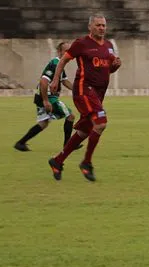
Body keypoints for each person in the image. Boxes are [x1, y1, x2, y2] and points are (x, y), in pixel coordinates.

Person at [47, 15, 121, 181]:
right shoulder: (81, 43)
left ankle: (57, 161)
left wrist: (115, 65)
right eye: (98, 25)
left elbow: (107, 69)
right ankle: (86, 162)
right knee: (101, 123)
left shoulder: (108, 46)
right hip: (83, 90)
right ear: (90, 27)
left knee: (84, 131)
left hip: (98, 93)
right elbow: (63, 61)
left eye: (103, 25)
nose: (101, 28)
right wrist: (55, 79)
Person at [14, 41, 77, 152]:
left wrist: (78, 90)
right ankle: (68, 145)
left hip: (42, 97)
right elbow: (43, 81)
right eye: (66, 51)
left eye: (70, 51)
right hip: (48, 97)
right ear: (59, 51)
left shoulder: (61, 64)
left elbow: (64, 81)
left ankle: (20, 143)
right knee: (70, 116)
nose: (69, 53)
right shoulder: (55, 63)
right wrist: (46, 101)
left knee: (44, 123)